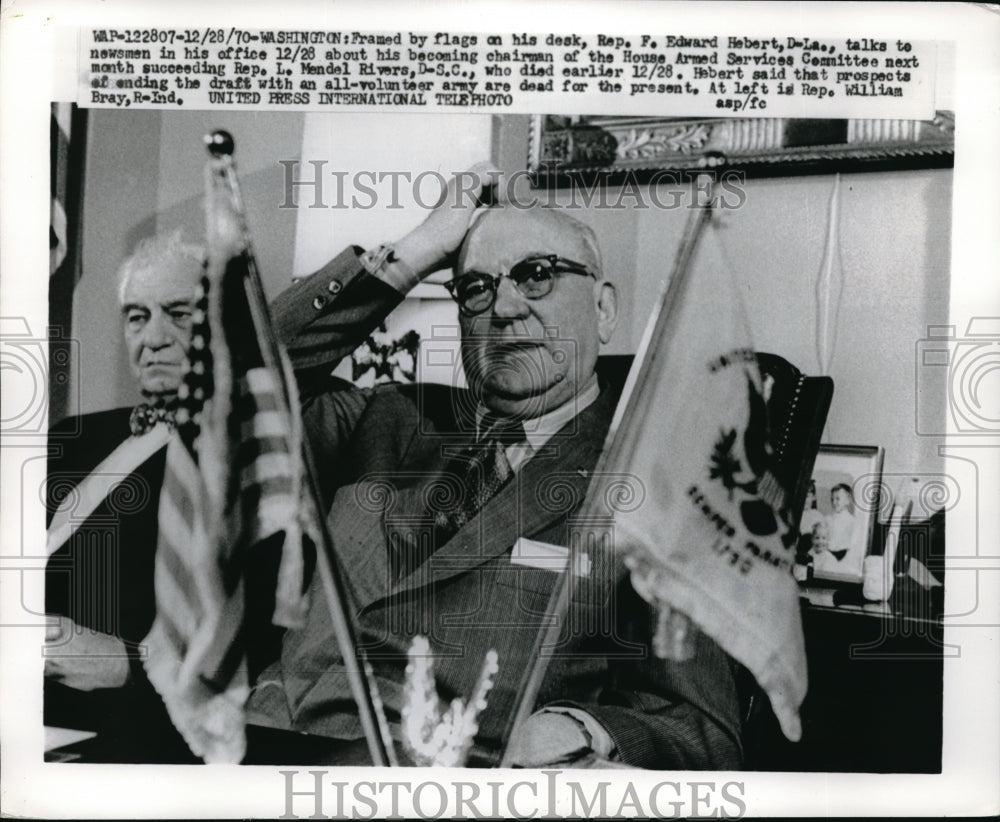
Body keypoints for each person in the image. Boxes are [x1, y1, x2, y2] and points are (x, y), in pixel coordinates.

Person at [246, 166, 743, 769]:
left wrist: (583, 726)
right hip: (259, 750)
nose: (503, 307)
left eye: (537, 275)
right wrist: (416, 252)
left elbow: (702, 730)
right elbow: (238, 384)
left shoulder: (664, 487)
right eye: (476, 288)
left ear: (604, 309)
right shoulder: (392, 416)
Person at [44, 231, 205, 763]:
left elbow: (259, 645)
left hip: (121, 729)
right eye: (137, 316)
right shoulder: (71, 437)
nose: (153, 337)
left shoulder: (243, 461)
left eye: (178, 314)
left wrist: (128, 663)